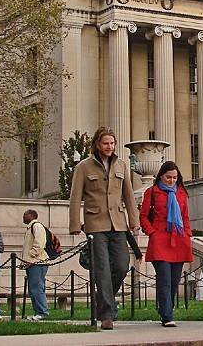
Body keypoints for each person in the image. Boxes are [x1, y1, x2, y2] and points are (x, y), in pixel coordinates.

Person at [69, 127, 138, 331]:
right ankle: (107, 314)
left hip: (118, 223)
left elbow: (129, 195)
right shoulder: (83, 167)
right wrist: (74, 224)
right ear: (98, 145)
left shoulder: (121, 165)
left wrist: (134, 221)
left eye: (112, 143)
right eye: (106, 143)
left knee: (121, 265)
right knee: (102, 269)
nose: (110, 147)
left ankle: (102, 300)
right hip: (95, 223)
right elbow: (75, 197)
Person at [140, 161, 193, 327]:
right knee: (164, 279)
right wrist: (152, 232)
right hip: (160, 240)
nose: (171, 181)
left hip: (179, 240)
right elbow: (143, 216)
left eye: (175, 178)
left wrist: (187, 233)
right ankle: (167, 315)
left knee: (174, 280)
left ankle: (165, 309)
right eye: (168, 177)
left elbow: (185, 217)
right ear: (161, 176)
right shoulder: (152, 192)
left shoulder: (181, 193)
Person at [22, 209, 49, 320]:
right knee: (33, 289)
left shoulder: (36, 226)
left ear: (31, 216)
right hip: (32, 263)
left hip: (37, 262)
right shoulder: (30, 228)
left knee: (36, 288)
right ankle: (38, 312)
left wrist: (32, 254)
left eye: (25, 215)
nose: (23, 217)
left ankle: (42, 312)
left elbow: (40, 242)